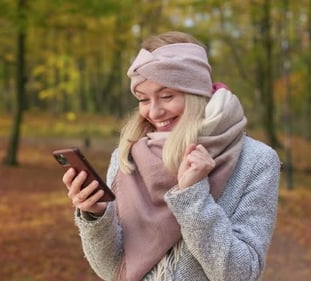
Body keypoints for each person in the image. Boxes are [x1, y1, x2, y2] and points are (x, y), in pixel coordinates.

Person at [62, 31, 280, 281]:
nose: (154, 112)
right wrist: (96, 215)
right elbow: (113, 270)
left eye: (167, 96)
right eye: (143, 99)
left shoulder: (255, 160)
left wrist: (192, 197)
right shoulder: (127, 155)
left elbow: (241, 274)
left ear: (196, 92)